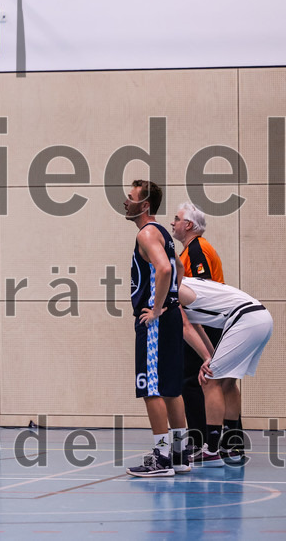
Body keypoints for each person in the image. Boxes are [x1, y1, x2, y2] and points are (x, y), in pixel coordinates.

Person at [123, 180, 191, 477]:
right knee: (172, 389)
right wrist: (171, 303)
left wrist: (156, 309)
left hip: (157, 322)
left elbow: (165, 269)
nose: (126, 201)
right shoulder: (164, 233)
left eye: (131, 197)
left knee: (152, 389)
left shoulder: (147, 233)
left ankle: (162, 458)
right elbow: (180, 269)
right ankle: (180, 454)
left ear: (145, 204)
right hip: (172, 318)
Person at [178, 277, 273, 466]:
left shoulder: (173, 288)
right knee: (228, 382)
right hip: (261, 317)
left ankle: (211, 450)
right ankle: (231, 446)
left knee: (208, 380)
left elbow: (185, 327)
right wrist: (210, 356)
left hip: (244, 319)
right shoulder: (186, 282)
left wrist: (206, 360)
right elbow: (196, 324)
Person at [170, 202, 226, 453]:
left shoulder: (197, 249)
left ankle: (200, 440)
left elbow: (203, 291)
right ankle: (208, 439)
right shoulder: (187, 252)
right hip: (202, 323)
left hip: (206, 324)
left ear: (188, 225)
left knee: (193, 381)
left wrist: (199, 334)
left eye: (177, 219)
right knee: (194, 380)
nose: (173, 223)